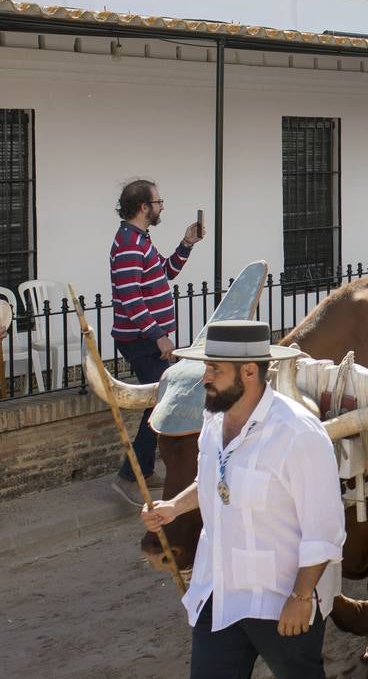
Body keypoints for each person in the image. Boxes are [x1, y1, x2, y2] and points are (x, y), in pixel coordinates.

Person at [140, 321, 344, 679]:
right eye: (206, 367)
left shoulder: (298, 434)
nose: (205, 377)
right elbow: (213, 481)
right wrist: (174, 508)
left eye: (214, 369)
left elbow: (324, 531)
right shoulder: (213, 421)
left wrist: (301, 597)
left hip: (280, 600)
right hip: (218, 593)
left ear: (249, 371)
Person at [109, 178, 203, 505]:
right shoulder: (129, 243)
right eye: (158, 202)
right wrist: (158, 335)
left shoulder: (140, 238)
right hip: (141, 341)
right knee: (163, 402)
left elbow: (165, 272)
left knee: (161, 400)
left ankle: (143, 470)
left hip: (149, 339)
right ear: (143, 207)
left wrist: (186, 244)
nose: (162, 207)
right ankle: (129, 476)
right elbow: (130, 299)